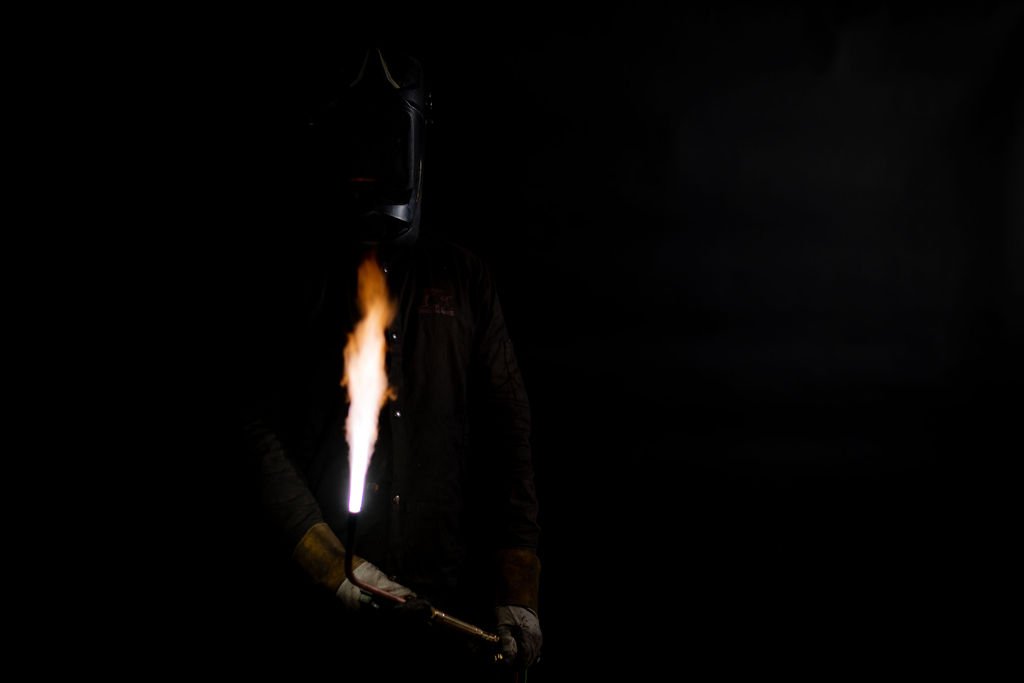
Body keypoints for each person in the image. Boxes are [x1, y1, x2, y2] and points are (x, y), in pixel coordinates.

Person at [236, 48, 542, 680]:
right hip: (326, 611)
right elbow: (253, 426)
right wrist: (326, 561)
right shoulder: (297, 285)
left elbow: (508, 436)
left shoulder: (464, 281)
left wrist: (518, 587)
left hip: (444, 606)